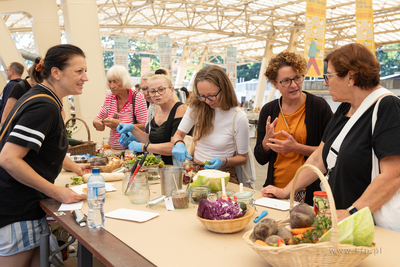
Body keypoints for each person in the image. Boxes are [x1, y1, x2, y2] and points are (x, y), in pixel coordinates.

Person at [262, 43, 400, 227]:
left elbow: (393, 174)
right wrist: (286, 190)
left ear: (350, 76)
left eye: (329, 76)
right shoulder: (345, 108)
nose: (326, 83)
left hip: (367, 223)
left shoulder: (387, 107)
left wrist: (352, 211)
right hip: (339, 220)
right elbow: (319, 158)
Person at [0, 44, 88, 266]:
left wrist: (75, 167)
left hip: (20, 206)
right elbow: (9, 158)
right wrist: (57, 192)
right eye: (79, 71)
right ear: (56, 72)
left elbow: (38, 149)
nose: (85, 77)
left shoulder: (42, 98)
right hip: (17, 209)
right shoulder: (44, 106)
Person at [255, 50, 333, 205]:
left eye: (297, 78)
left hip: (308, 189)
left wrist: (296, 147)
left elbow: (330, 153)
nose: (294, 85)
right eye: (286, 81)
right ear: (274, 83)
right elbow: (260, 158)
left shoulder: (318, 107)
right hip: (275, 187)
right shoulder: (269, 110)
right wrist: (265, 142)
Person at [170, 65, 249, 184]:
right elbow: (178, 134)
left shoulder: (238, 117)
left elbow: (243, 157)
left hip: (222, 174)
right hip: (195, 170)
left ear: (224, 89)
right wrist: (179, 143)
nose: (206, 101)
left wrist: (223, 161)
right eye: (202, 96)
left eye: (211, 96)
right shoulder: (196, 106)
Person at [117, 74, 189, 165]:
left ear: (171, 90)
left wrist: (144, 147)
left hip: (175, 167)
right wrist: (132, 129)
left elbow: (173, 147)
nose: (157, 94)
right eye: (152, 91)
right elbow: (152, 139)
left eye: (161, 90)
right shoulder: (157, 108)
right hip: (158, 165)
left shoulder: (180, 109)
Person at [93, 65, 147, 150]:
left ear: (124, 81)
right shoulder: (109, 96)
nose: (112, 86)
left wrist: (121, 124)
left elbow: (145, 127)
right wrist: (96, 123)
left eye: (115, 82)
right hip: (114, 149)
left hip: (133, 151)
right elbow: (98, 117)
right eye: (110, 82)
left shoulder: (137, 98)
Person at [1, 57, 43, 126]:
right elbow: (5, 119)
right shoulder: (19, 86)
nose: (6, 72)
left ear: (12, 71)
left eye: (7, 70)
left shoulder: (13, 85)